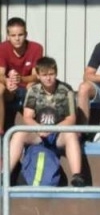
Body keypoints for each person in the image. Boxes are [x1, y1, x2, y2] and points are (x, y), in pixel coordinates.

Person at [9, 58, 87, 188]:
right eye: (44, 75)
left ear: (56, 73)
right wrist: (39, 128)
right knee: (18, 134)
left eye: (51, 74)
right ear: (38, 76)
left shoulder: (66, 90)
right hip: (39, 133)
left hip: (59, 134)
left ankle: (77, 176)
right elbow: (27, 117)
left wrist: (53, 129)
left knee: (71, 135)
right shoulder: (33, 90)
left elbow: (71, 118)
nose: (48, 78)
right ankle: (5, 174)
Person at [1, 18, 44, 125]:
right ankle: (0, 133)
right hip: (10, 89)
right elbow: (0, 73)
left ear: (26, 34)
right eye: (13, 35)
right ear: (8, 36)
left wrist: (21, 78)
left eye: (20, 35)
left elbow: (36, 75)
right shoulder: (2, 48)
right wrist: (7, 81)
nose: (17, 39)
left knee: (33, 86)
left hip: (27, 85)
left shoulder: (36, 48)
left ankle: (37, 128)